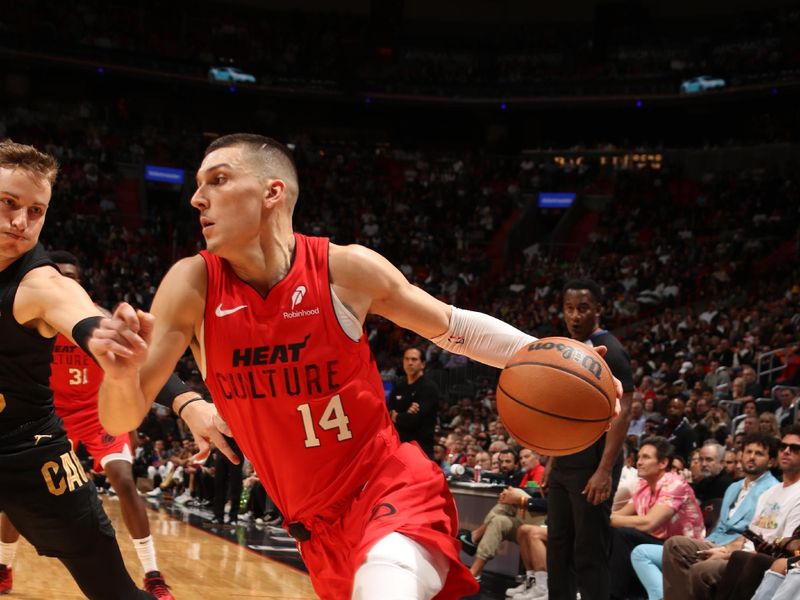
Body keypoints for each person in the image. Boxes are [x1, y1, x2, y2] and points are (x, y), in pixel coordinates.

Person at [88, 134, 624, 599]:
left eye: (218, 180)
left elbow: (453, 325)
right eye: (200, 184)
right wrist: (118, 374)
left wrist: (562, 358)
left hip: (389, 487)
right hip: (315, 530)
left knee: (385, 584)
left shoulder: (342, 269)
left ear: (272, 192)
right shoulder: (192, 283)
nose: (196, 197)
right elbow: (119, 417)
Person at [0, 139, 153, 599]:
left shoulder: (41, 283)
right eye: (8, 203)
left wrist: (104, 337)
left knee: (113, 590)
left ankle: (153, 572)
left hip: (30, 449)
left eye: (36, 210)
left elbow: (82, 315)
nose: (20, 222)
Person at [0, 250, 175, 598]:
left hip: (97, 415)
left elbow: (135, 366)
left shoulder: (94, 316)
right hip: (51, 416)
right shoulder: (33, 306)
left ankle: (152, 574)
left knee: (125, 481)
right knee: (18, 498)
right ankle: (4, 566)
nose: (64, 280)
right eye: (59, 274)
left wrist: (163, 411)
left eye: (71, 276)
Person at [542, 278, 634, 600]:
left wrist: (605, 470)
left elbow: (624, 413)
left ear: (598, 309)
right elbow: (563, 414)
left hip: (594, 463)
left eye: (582, 308)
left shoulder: (612, 350)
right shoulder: (568, 348)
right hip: (566, 460)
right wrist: (551, 461)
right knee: (558, 547)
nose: (575, 316)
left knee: (589, 553)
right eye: (569, 309)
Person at [630, 432, 779, 600]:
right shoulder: (734, 487)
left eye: (759, 454)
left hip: (737, 550)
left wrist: (724, 550)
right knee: (674, 544)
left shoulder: (771, 489)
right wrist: (708, 543)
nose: (751, 457)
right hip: (713, 540)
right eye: (748, 452)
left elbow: (752, 534)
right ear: (741, 455)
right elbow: (722, 525)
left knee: (647, 550)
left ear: (771, 461)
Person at [661, 425, 800, 600]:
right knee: (675, 545)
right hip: (739, 550)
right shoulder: (769, 493)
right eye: (783, 446)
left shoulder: (795, 493)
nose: (786, 451)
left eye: (794, 448)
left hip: (761, 560)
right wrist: (725, 550)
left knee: (702, 570)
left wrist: (727, 554)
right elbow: (748, 536)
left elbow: (788, 548)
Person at [609, 436, 705, 599]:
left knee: (623, 534)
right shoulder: (643, 485)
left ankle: (613, 596)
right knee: (611, 532)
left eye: (646, 457)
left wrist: (607, 519)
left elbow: (649, 523)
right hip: (661, 542)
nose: (639, 462)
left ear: (663, 463)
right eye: (639, 457)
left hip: (684, 548)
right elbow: (620, 515)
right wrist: (600, 519)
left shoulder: (675, 484)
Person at [387, 346, 439, 459]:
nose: (409, 363)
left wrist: (397, 416)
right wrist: (404, 415)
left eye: (414, 359)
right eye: (406, 359)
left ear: (423, 364)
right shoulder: (399, 385)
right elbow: (387, 414)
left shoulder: (428, 388)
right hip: (399, 448)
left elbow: (413, 420)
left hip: (420, 450)